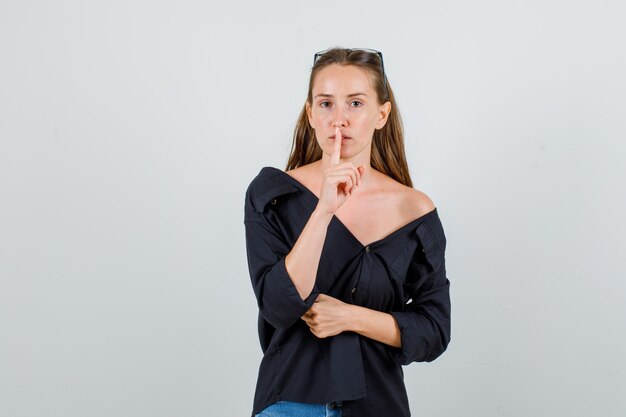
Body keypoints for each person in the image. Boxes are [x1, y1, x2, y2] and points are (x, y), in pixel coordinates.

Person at [243, 47, 451, 417]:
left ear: (381, 114)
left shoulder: (415, 210)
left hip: (378, 406)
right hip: (290, 403)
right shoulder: (273, 194)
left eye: (355, 103)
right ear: (310, 114)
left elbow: (434, 330)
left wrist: (350, 317)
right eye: (326, 104)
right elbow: (278, 306)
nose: (339, 120)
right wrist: (323, 210)